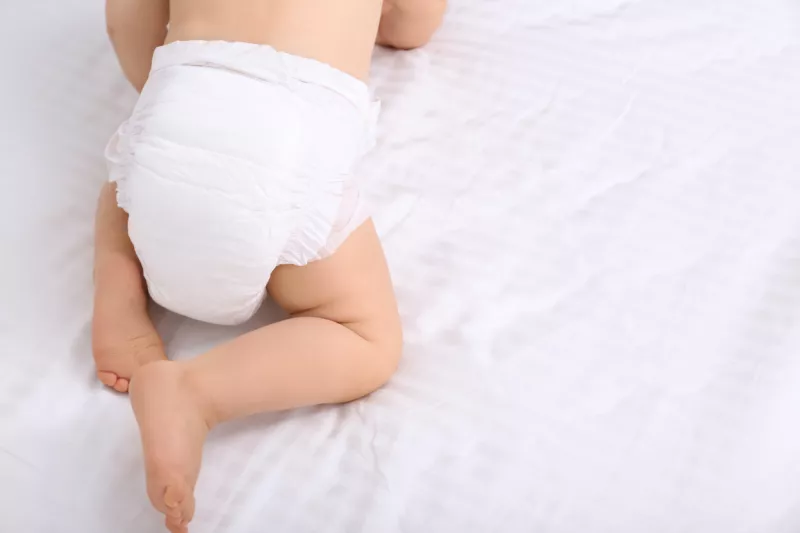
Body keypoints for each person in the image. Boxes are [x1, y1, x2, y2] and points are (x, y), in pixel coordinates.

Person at [93, 0, 446, 531]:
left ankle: (119, 300)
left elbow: (125, 18)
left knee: (122, 184)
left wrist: (166, 100)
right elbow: (411, 28)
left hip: (183, 107)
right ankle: (197, 392)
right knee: (364, 336)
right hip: (284, 149)